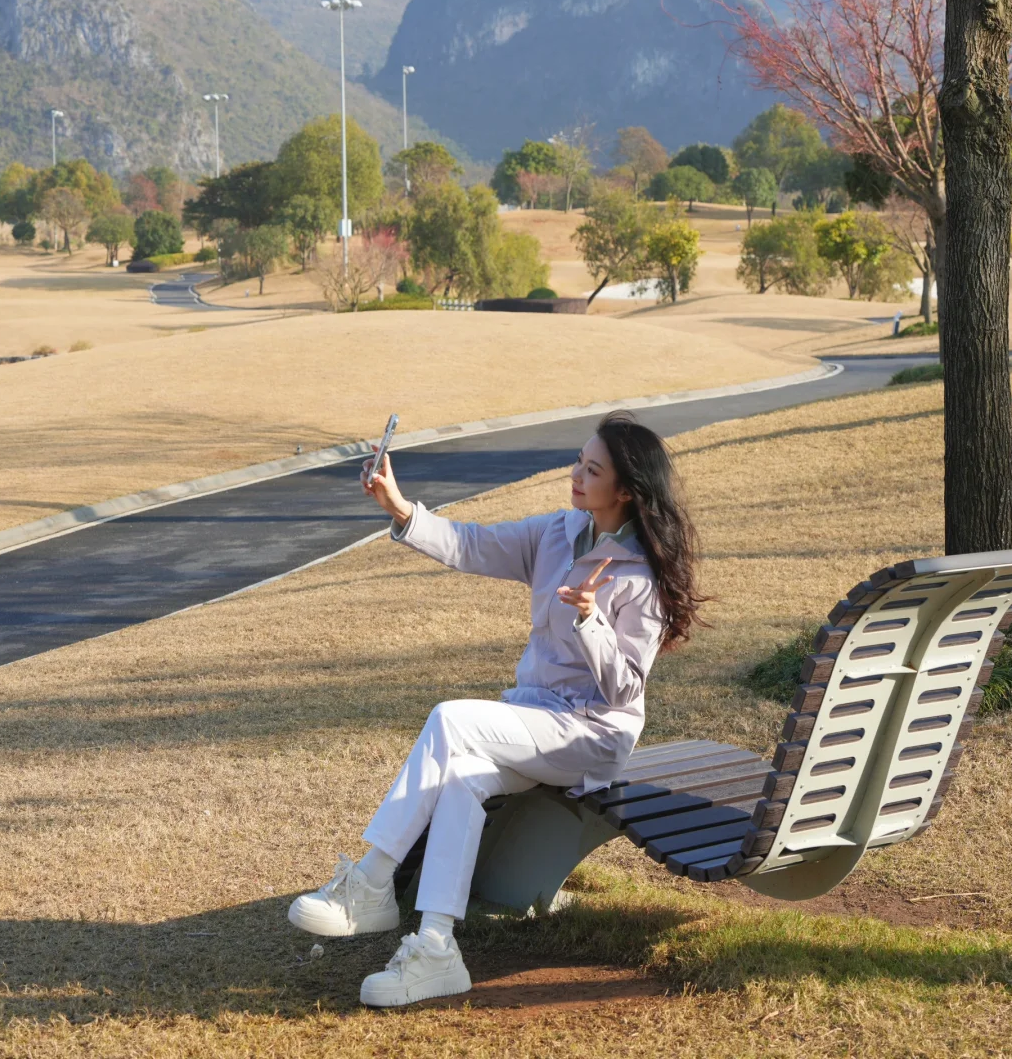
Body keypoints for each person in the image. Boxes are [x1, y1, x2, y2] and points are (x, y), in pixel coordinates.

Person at [288, 410, 705, 1007]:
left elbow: (624, 692)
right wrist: (401, 510)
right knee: (460, 777)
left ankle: (371, 883)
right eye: (578, 462)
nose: (576, 476)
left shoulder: (641, 577)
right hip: (533, 719)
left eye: (592, 470)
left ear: (626, 491)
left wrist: (592, 620)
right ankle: (435, 949)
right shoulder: (557, 534)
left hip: (591, 735)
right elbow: (474, 544)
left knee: (451, 718)